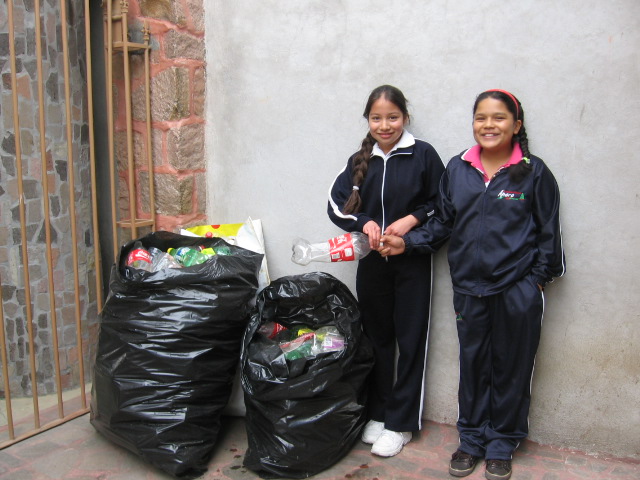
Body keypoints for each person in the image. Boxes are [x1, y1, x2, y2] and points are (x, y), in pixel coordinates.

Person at [380, 89, 566, 479]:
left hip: (517, 290)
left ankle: (501, 443)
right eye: (481, 117)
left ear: (516, 125)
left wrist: (534, 282)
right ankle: (471, 440)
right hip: (469, 289)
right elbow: (442, 224)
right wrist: (406, 243)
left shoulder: (534, 172)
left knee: (512, 368)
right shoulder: (458, 168)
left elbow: (549, 236)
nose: (489, 125)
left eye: (499, 118)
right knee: (473, 365)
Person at [327, 85, 445, 457]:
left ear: (405, 118)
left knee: (410, 341)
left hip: (412, 261)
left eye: (392, 117)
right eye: (377, 118)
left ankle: (402, 423)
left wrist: (411, 222)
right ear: (368, 120)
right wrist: (363, 222)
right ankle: (379, 413)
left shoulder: (423, 155)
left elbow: (443, 204)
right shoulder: (360, 160)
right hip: (372, 263)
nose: (385, 125)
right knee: (377, 338)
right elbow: (335, 204)